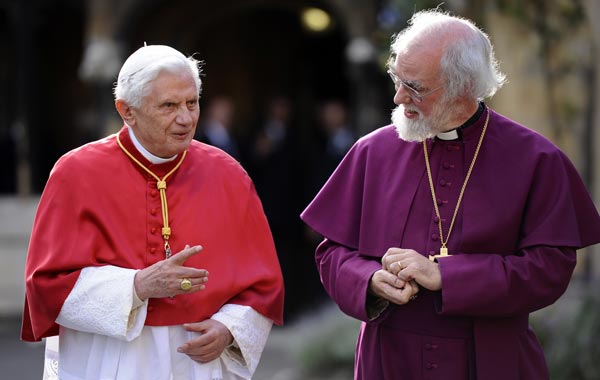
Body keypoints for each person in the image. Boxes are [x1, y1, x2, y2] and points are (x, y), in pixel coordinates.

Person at [301, 9, 600, 380]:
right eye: (397, 79)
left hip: (492, 360)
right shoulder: (372, 151)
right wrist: (369, 280)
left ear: (463, 88)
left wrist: (447, 275)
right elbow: (332, 253)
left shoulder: (535, 159)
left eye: (416, 88)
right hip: (389, 360)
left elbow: (550, 269)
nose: (398, 97)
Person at [21, 45, 284, 380]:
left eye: (192, 103)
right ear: (127, 110)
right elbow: (45, 287)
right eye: (169, 106)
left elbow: (262, 285)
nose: (186, 118)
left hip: (197, 364)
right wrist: (136, 285)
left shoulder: (228, 174)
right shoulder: (75, 173)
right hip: (108, 358)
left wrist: (228, 329)